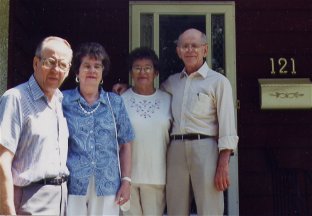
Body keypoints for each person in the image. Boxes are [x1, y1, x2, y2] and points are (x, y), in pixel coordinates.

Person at [113, 28, 238, 215]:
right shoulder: (171, 83)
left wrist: (223, 164)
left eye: (194, 46)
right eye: (185, 46)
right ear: (178, 51)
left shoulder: (218, 82)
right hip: (176, 151)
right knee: (175, 208)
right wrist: (128, 88)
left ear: (205, 50)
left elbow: (228, 127)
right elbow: (146, 91)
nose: (190, 50)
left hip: (206, 148)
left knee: (209, 208)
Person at [0, 36, 73, 215]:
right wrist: (7, 211)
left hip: (60, 200)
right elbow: (2, 160)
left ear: (69, 70)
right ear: (36, 63)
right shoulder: (16, 98)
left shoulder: (59, 100)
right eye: (50, 62)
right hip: (29, 201)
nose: (56, 70)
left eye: (63, 65)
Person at [62, 42, 134, 215]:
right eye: (86, 66)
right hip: (73, 182)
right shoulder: (62, 101)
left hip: (108, 183)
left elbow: (126, 144)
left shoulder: (114, 102)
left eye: (97, 66)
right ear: (77, 71)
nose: (92, 70)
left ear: (102, 72)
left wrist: (126, 181)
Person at [121, 47, 172, 216]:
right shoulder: (121, 100)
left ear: (156, 72)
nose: (142, 72)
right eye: (137, 68)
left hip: (158, 176)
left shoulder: (168, 100)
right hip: (128, 178)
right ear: (131, 72)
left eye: (148, 68)